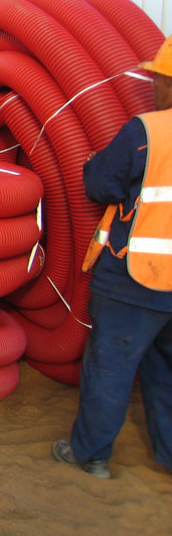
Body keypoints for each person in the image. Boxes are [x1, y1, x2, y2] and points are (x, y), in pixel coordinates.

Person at [54, 35, 172, 479]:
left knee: (111, 366)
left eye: (157, 79)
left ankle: (91, 455)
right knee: (167, 370)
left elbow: (100, 185)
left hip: (136, 279)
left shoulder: (146, 132)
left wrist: (93, 163)